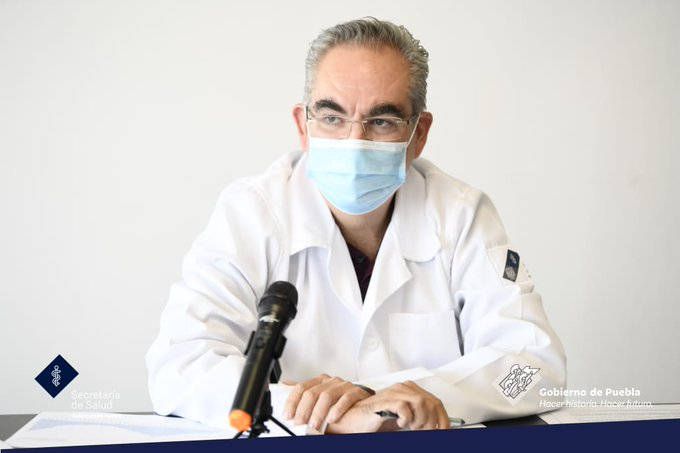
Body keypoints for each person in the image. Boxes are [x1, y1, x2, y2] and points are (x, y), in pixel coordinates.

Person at [145, 17, 566, 434]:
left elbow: (534, 370)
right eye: (332, 117)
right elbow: (179, 366)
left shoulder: (461, 215)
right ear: (303, 126)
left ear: (419, 134)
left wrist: (393, 400)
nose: (354, 141)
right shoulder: (251, 213)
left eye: (381, 121)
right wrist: (321, 413)